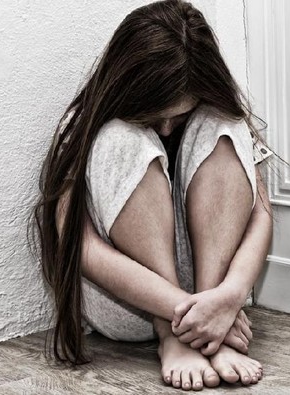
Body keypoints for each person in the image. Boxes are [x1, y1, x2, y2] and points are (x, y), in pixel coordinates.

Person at [30, 0, 275, 390]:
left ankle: (206, 332)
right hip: (136, 304)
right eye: (151, 114)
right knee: (117, 136)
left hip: (213, 293)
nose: (164, 129)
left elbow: (261, 214)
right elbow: (84, 248)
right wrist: (187, 314)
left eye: (177, 117)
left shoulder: (213, 107)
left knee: (224, 122)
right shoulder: (83, 125)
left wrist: (229, 296)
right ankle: (177, 335)